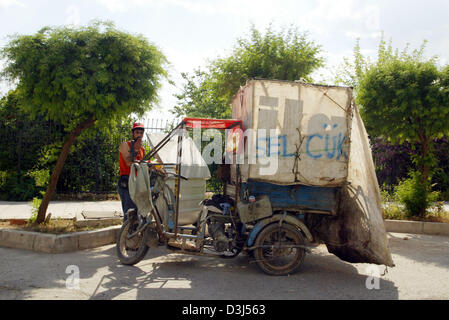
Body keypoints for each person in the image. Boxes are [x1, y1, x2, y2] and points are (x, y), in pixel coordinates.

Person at [117, 123, 146, 222]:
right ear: (132, 133)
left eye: (141, 133)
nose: (139, 135)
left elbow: (143, 164)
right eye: (137, 132)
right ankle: (126, 235)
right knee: (129, 212)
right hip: (127, 181)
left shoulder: (143, 149)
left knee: (139, 212)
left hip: (138, 182)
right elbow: (129, 162)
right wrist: (136, 149)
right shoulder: (125, 145)